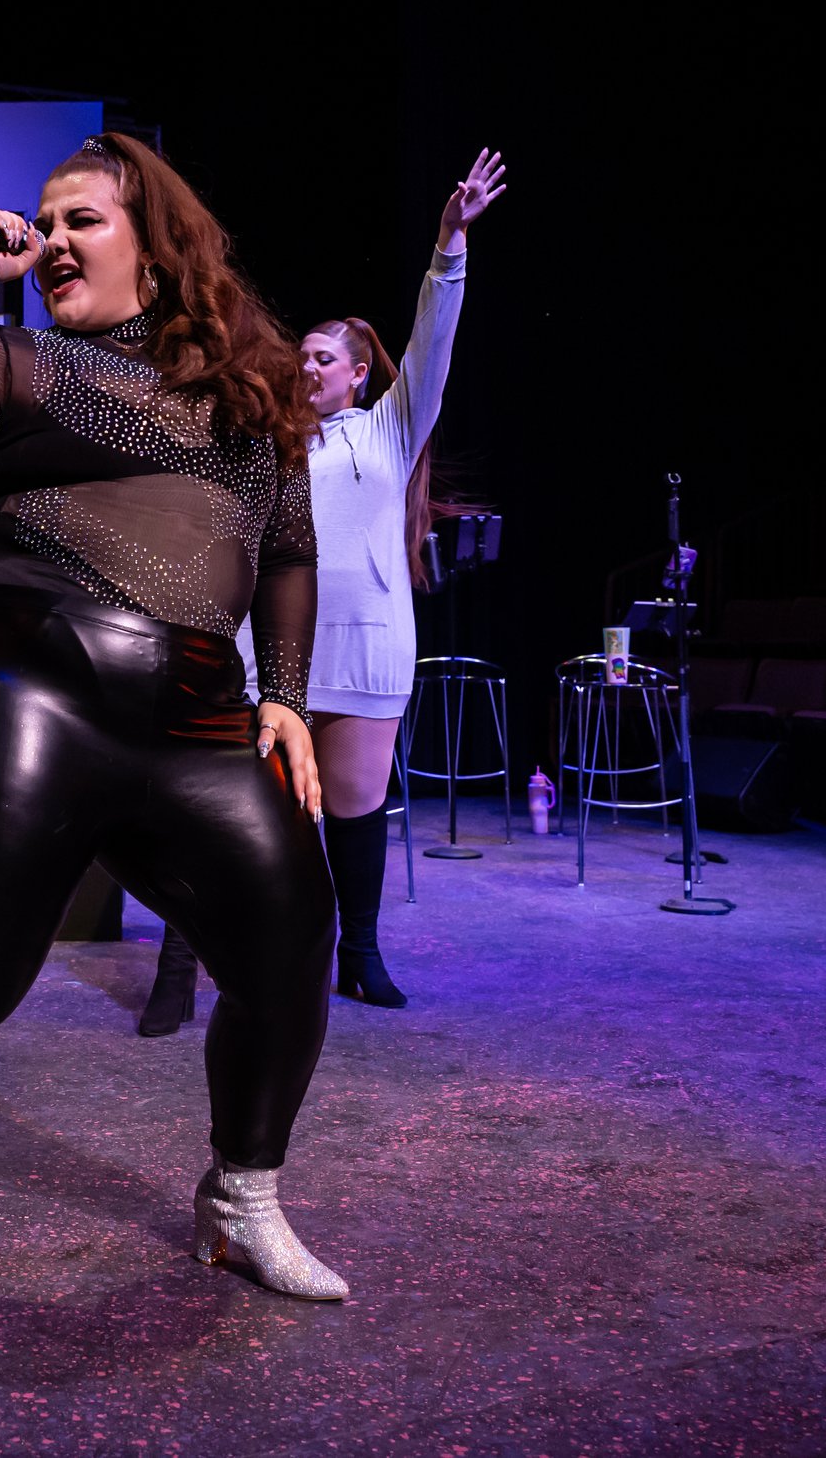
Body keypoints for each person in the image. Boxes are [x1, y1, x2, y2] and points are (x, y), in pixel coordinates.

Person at [0, 134, 343, 1382]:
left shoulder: (251, 391)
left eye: (78, 218)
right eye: (41, 221)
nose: (51, 242)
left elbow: (289, 549)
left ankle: (241, 1197)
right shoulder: (20, 359)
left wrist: (289, 696)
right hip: (30, 680)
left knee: (292, 948)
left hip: (202, 712)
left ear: (158, 237)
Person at [142, 149, 506, 1028]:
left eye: (319, 358)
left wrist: (449, 246)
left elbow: (433, 344)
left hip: (367, 647)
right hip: (272, 658)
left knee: (354, 812)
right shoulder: (270, 439)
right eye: (299, 356)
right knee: (230, 815)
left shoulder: (388, 431)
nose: (304, 367)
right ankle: (181, 965)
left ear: (354, 374)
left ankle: (361, 956)